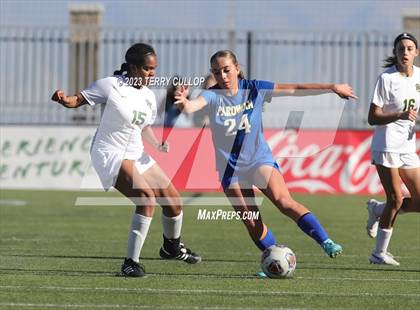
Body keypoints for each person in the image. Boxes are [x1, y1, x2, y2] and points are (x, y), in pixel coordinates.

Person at [174, 50, 357, 274]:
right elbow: (193, 106)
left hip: (258, 159)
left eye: (226, 70)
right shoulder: (212, 95)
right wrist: (183, 103)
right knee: (252, 222)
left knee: (283, 201)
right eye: (216, 72)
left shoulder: (254, 88)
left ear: (237, 69)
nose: (222, 76)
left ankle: (325, 241)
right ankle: (274, 259)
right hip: (230, 170)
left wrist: (331, 87)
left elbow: (295, 90)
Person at [51, 43, 201, 277]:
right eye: (147, 69)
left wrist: (157, 144)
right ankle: (130, 263)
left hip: (137, 152)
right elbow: (76, 100)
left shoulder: (149, 96)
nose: (152, 74)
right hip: (110, 151)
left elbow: (144, 127)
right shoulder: (110, 85)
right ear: (132, 67)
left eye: (154, 69)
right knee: (146, 199)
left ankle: (171, 248)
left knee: (174, 202)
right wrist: (63, 100)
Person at [365, 33, 419, 266]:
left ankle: (378, 210)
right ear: (395, 53)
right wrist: (399, 115)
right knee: (396, 199)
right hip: (386, 145)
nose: (404, 53)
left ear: (416, 52)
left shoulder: (419, 76)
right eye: (400, 49)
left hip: (407, 146)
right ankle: (378, 254)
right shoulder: (386, 79)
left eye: (409, 49)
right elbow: (372, 117)